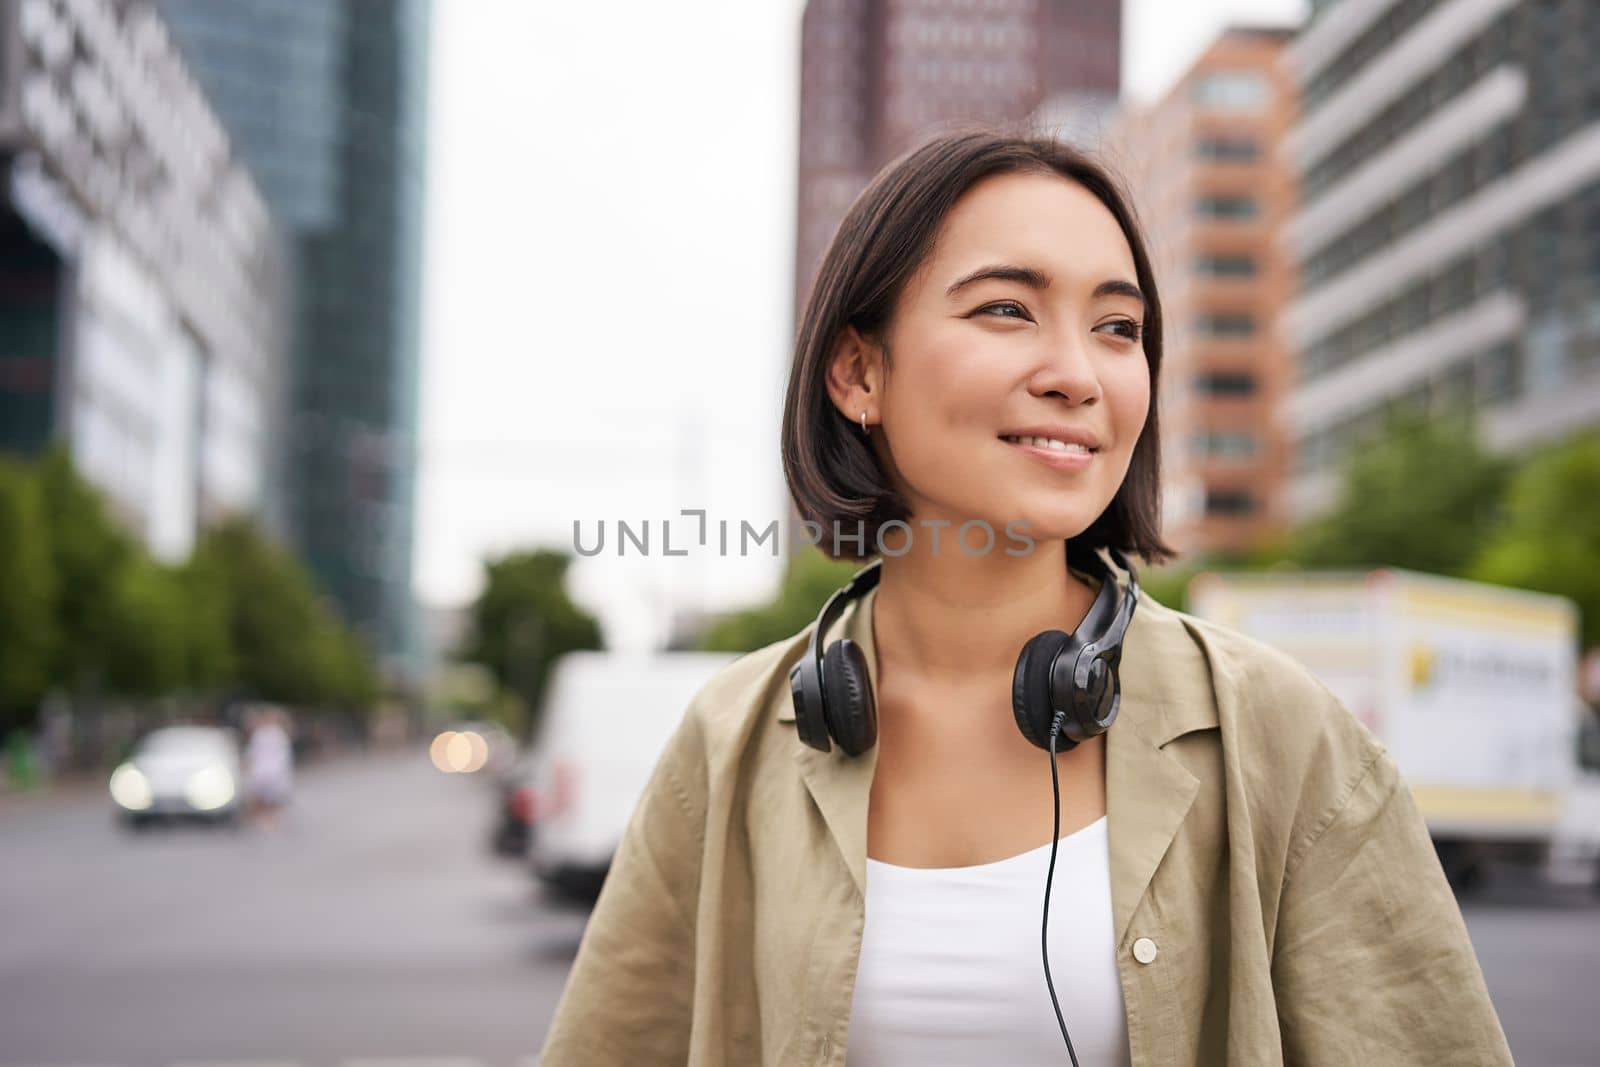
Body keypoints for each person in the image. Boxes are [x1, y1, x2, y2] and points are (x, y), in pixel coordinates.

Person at [536, 127, 1514, 1065]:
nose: (1078, 375)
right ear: (856, 370)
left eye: (1117, 327)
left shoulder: (1277, 731)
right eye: (1006, 309)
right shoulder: (728, 742)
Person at [243, 706, 294, 829]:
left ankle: (265, 819)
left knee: (264, 797)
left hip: (265, 770)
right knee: (267, 797)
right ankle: (268, 819)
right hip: (270, 770)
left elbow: (253, 753)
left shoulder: (265, 734)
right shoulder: (276, 734)